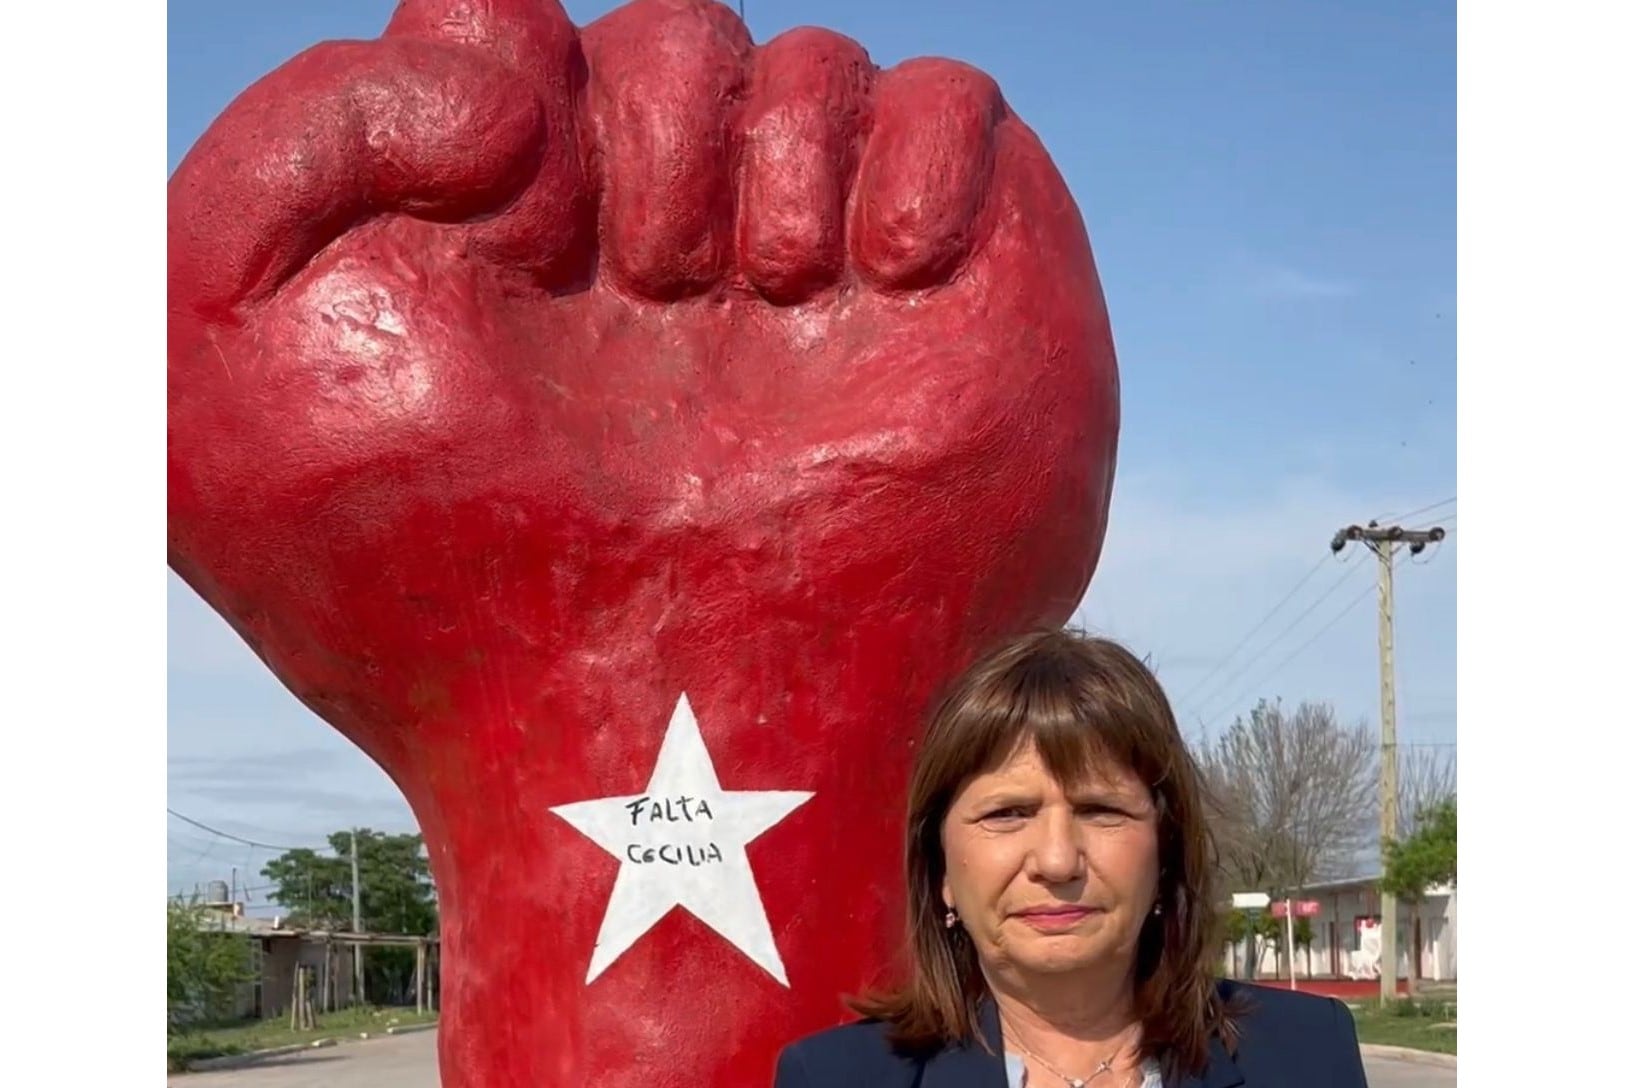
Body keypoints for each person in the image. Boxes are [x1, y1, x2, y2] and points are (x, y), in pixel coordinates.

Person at [773, 629, 1368, 1088]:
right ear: (941, 872)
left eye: (1099, 809)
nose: (1057, 861)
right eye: (1007, 813)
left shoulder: (1308, 1053)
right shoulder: (834, 1077)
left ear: (1164, 851)